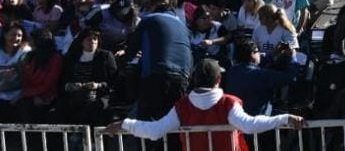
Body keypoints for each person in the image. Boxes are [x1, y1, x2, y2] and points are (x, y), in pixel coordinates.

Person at [105, 58, 304, 150]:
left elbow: (155, 130)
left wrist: (124, 124)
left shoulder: (182, 106)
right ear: (218, 79)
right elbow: (250, 126)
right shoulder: (228, 103)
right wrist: (285, 117)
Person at [125, 0, 193, 121]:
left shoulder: (149, 19)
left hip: (157, 75)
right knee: (175, 123)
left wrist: (125, 62)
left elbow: (132, 48)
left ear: (153, 6)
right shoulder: (183, 26)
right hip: (183, 79)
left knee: (147, 123)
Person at [60, 28, 118, 125]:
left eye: (95, 39)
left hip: (99, 95)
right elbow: (63, 80)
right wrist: (70, 86)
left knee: (94, 107)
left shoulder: (106, 56)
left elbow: (114, 80)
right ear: (81, 42)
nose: (92, 42)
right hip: (75, 94)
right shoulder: (72, 58)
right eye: (89, 39)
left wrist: (98, 85)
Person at [224, 40, 296, 116]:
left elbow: (253, 63)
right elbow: (289, 77)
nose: (260, 54)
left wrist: (274, 53)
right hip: (257, 120)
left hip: (235, 117)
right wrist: (292, 57)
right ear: (252, 54)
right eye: (258, 52)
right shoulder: (261, 74)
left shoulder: (231, 71)